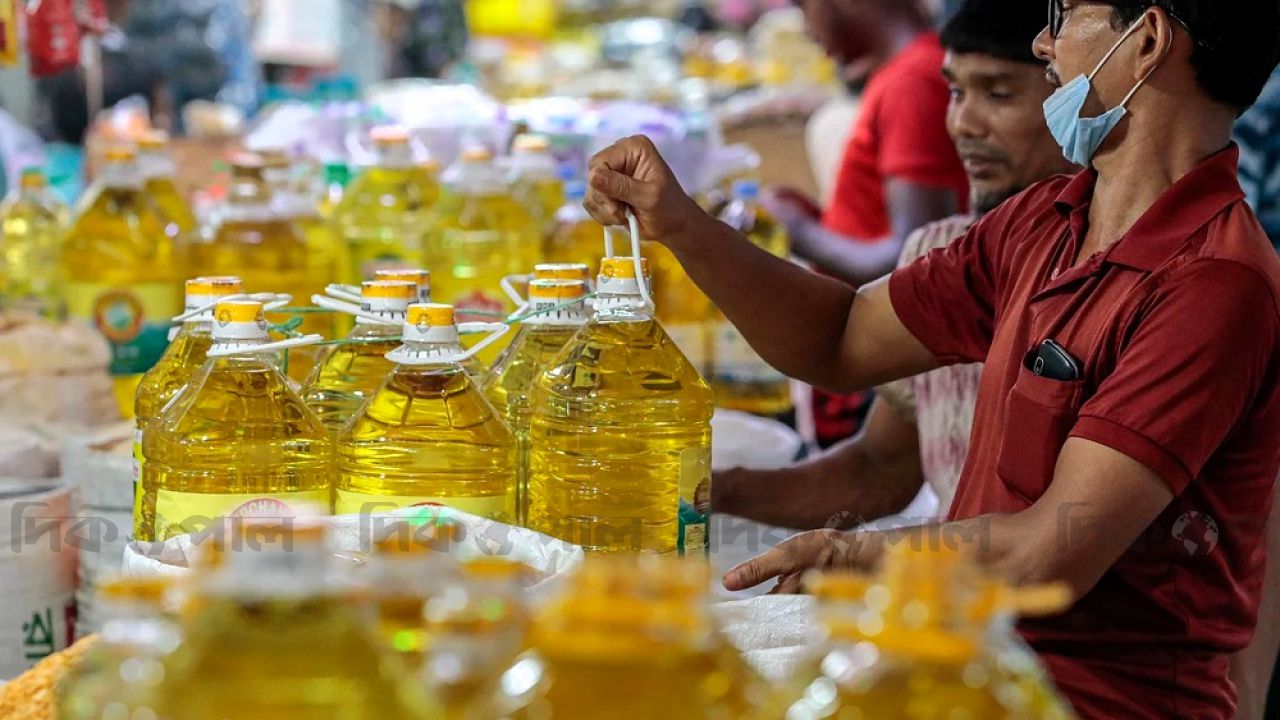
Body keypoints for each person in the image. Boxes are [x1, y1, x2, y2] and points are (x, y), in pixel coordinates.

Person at [581, 1, 1280, 717]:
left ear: (1149, 40)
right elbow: (842, 339)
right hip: (974, 662)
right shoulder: (1043, 223)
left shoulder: (1214, 284)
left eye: (1066, 13)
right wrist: (680, 225)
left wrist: (856, 554)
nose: (1043, 39)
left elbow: (1048, 554)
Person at [714, 0, 1076, 531]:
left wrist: (863, 559)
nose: (962, 123)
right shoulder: (944, 254)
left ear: (1079, 100)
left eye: (998, 93)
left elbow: (1055, 540)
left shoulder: (1107, 277)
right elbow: (878, 469)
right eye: (955, 91)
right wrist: (713, 491)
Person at [771, 0, 971, 448]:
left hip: (875, 367)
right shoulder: (905, 71)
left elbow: (915, 259)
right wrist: (820, 223)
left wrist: (798, 231)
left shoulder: (912, 82)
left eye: (805, 8)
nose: (806, 28)